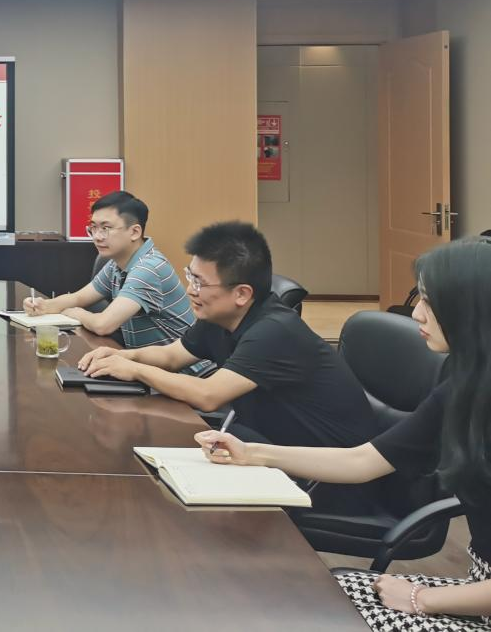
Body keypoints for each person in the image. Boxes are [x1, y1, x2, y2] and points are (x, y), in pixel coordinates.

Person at [196, 239, 491, 630]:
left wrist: (422, 599)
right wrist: (251, 453)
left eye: (430, 301)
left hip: (477, 600)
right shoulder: (464, 384)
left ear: (470, 307)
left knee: (314, 615)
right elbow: (363, 460)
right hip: (478, 591)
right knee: (301, 599)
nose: (417, 312)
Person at [78, 220, 379, 509]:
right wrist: (123, 357)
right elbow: (171, 356)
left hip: (328, 483)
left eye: (199, 282)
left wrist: (136, 370)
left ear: (241, 294)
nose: (190, 289)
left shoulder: (274, 331)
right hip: (265, 451)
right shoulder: (220, 317)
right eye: (190, 276)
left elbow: (208, 396)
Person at [25, 191, 195, 347]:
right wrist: (43, 306)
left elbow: (103, 325)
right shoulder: (116, 264)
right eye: (94, 228)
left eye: (106, 229)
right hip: (148, 361)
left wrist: (76, 313)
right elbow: (78, 298)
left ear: (135, 232)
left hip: (182, 367)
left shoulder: (148, 269)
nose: (97, 237)